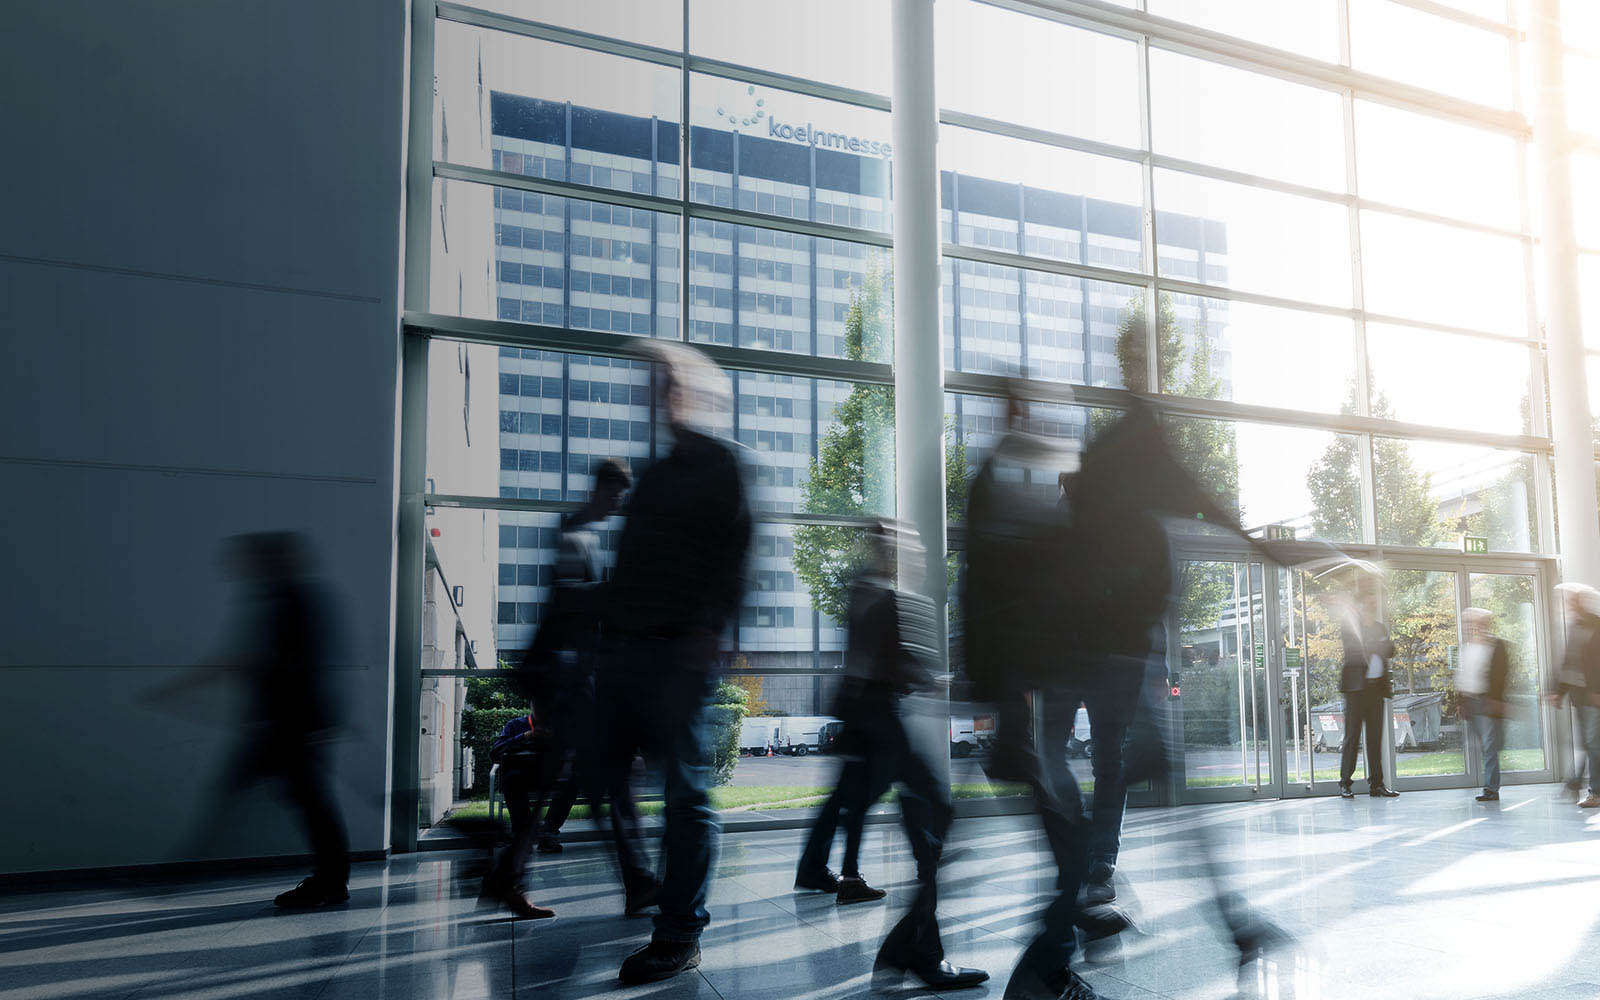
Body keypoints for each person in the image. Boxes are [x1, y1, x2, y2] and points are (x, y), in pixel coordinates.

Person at [599, 343, 753, 986]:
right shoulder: (659, 474)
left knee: (686, 794)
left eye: (665, 383)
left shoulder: (719, 466)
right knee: (628, 781)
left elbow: (735, 552)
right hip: (634, 651)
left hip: (675, 653)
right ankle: (657, 896)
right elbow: (631, 565)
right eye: (653, 384)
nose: (656, 395)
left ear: (690, 390)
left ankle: (679, 930)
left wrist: (706, 628)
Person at [227, 533, 352, 909]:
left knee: (311, 802)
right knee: (310, 801)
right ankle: (330, 880)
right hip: (293, 721)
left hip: (294, 722)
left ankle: (330, 881)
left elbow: (293, 665)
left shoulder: (294, 600)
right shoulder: (291, 598)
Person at [1337, 582, 1399, 799]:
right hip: (1356, 689)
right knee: (1352, 737)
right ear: (1360, 604)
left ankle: (1377, 785)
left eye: (1374, 602)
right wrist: (1375, 645)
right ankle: (1345, 783)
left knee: (1375, 739)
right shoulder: (1350, 624)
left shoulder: (1380, 627)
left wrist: (1377, 644)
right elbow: (1355, 650)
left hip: (1376, 690)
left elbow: (1390, 650)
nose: (1373, 605)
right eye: (1369, 602)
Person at [1457, 608, 1511, 803]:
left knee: (1489, 746)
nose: (1472, 626)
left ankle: (1491, 788)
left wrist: (1495, 700)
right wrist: (1461, 702)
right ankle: (1491, 782)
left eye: (1476, 622)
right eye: (1469, 623)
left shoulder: (1496, 646)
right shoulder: (1466, 648)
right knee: (1486, 745)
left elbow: (1501, 675)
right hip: (1471, 701)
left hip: (1487, 701)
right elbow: (1462, 676)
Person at [1553, 583, 1600, 807]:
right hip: (1579, 697)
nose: (1570, 605)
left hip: (1594, 696)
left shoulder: (1596, 625)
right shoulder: (1574, 627)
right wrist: (1559, 692)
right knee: (1589, 744)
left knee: (1593, 744)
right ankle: (1577, 782)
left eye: (1573, 601)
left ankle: (1593, 792)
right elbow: (1569, 662)